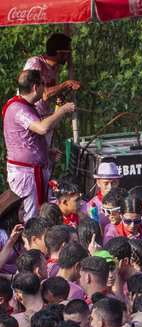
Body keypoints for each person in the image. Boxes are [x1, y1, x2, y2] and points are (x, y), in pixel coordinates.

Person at [4, 70, 76, 218]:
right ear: (35, 87)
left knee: (38, 216)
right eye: (44, 83)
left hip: (33, 171)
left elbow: (26, 139)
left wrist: (47, 150)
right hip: (25, 175)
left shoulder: (26, 106)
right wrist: (63, 110)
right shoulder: (18, 108)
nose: (46, 87)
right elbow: (42, 128)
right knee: (28, 218)